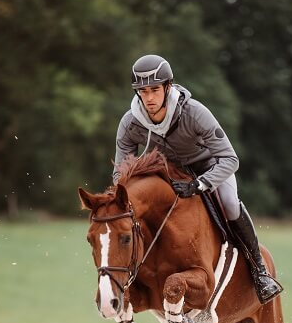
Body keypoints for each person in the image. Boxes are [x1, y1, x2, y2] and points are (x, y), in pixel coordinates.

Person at [114, 53, 282, 305]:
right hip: (168, 176)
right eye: (143, 91)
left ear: (168, 87)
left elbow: (230, 159)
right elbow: (120, 172)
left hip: (209, 169)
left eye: (155, 90)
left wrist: (200, 184)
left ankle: (259, 270)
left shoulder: (194, 113)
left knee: (230, 203)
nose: (149, 98)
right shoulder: (130, 123)